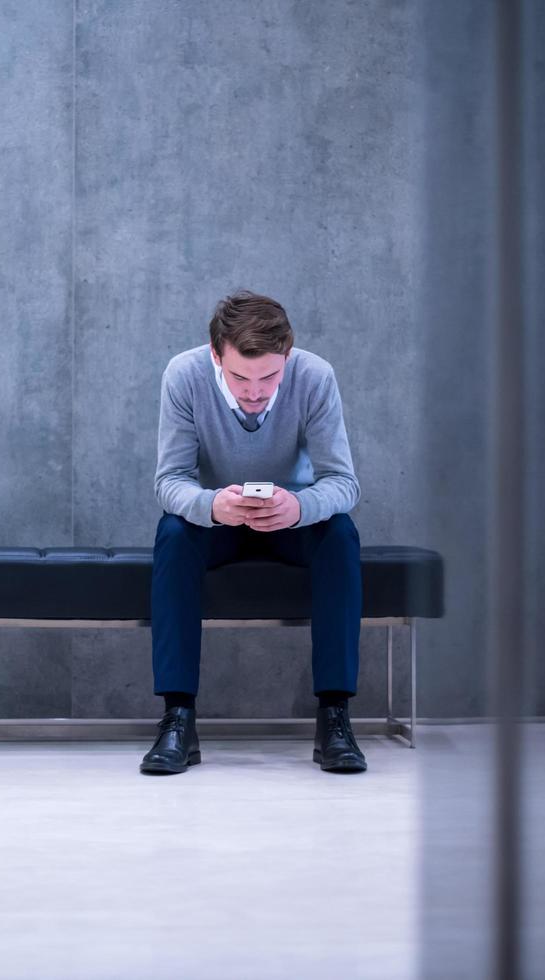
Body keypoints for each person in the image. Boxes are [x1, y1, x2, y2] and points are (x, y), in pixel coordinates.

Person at [140, 290, 366, 776]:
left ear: (287, 356)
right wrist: (212, 505)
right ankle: (178, 718)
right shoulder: (184, 375)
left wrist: (299, 507)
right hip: (220, 518)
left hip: (292, 520)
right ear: (216, 353)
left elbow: (343, 483)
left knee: (340, 535)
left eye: (269, 376)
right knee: (173, 535)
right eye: (240, 376)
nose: (255, 391)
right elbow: (169, 481)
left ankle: (335, 718)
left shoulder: (314, 376)